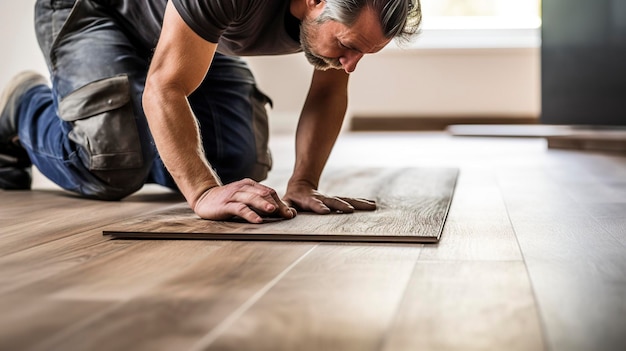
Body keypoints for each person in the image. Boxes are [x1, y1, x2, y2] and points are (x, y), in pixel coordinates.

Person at [0, 0, 421, 223]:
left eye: (364, 54)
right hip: (98, 9)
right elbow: (165, 87)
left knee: (239, 164)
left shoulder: (348, 19)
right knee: (113, 164)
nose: (351, 64)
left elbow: (328, 92)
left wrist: (304, 183)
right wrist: (201, 194)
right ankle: (23, 105)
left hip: (185, 29)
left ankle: (141, 139)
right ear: (315, 0)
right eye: (348, 46)